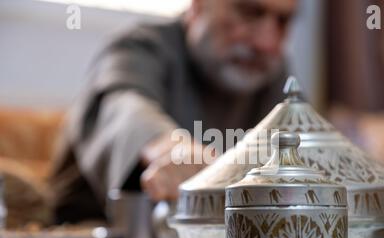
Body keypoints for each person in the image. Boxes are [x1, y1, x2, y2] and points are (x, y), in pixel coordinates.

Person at [50, 0, 297, 223]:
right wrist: (170, 149)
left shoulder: (273, 78)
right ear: (199, 6)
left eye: (283, 22)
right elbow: (120, 105)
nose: (267, 43)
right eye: (249, 12)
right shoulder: (139, 47)